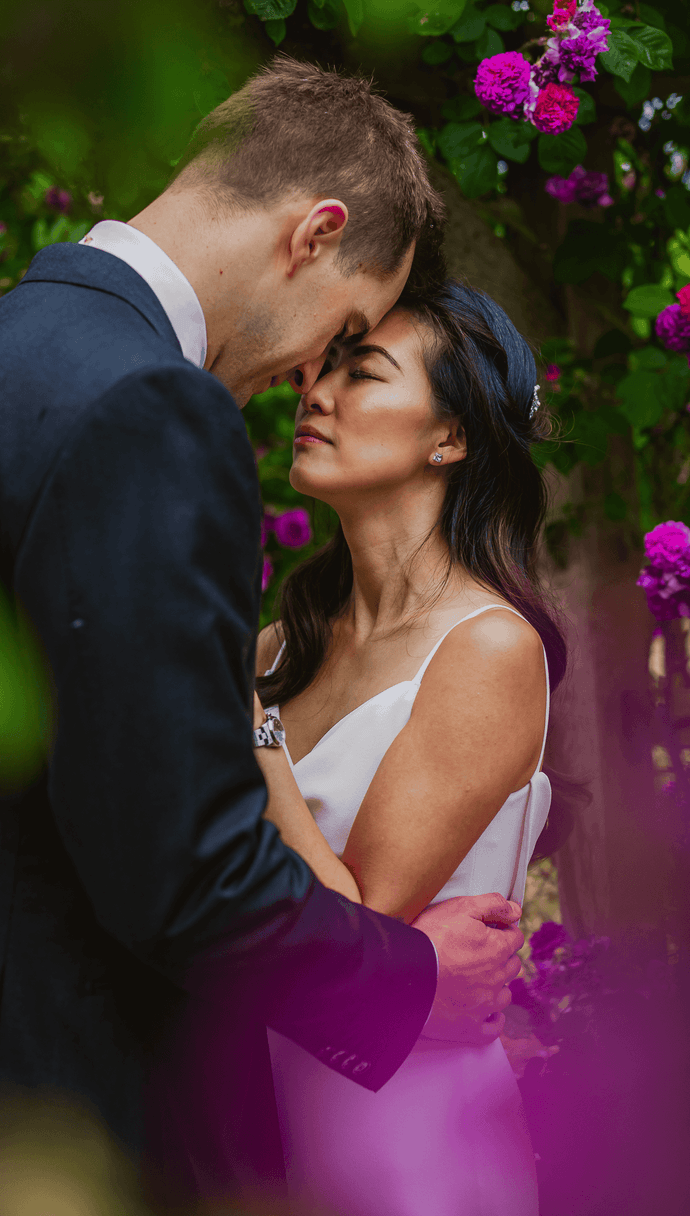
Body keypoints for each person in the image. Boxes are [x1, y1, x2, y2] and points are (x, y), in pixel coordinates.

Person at [0, 55, 523, 1209]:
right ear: (312, 232)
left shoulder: (21, 343)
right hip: (91, 1106)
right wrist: (410, 984)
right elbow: (181, 868)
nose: (304, 379)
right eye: (337, 328)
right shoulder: (149, 406)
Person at [252, 280, 566, 1216]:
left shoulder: (487, 649)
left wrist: (247, 728)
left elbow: (359, 935)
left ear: (451, 436)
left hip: (408, 1144)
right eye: (317, 370)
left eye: (363, 373)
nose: (315, 391)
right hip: (257, 1125)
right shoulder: (276, 647)